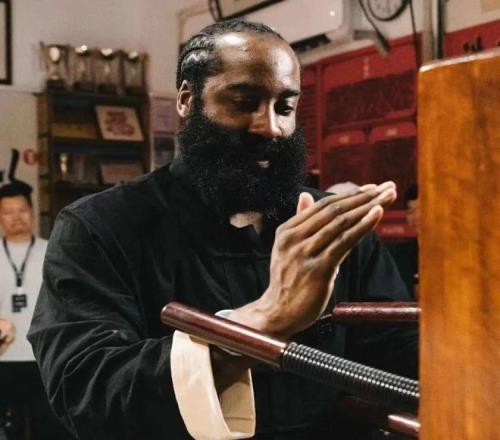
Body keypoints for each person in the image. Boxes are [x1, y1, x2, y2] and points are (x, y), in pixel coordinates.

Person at [28, 19, 417, 439]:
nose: (270, 126)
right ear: (186, 99)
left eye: (285, 108)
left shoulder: (331, 227)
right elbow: (87, 392)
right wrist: (263, 320)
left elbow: (399, 358)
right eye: (244, 102)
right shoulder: (100, 228)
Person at [0, 182, 68, 439]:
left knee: (50, 429)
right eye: (8, 212)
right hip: (3, 358)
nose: (16, 217)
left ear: (32, 211)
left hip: (46, 357)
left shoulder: (54, 251)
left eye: (22, 210)